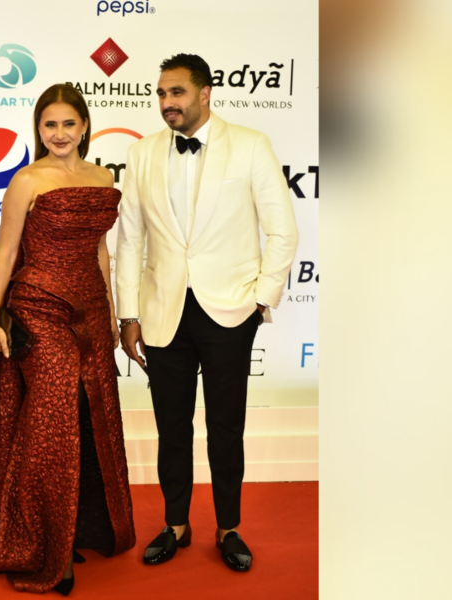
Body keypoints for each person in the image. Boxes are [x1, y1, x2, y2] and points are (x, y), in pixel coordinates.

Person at [0, 83, 135, 595]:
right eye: (51, 125)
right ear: (38, 129)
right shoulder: (26, 179)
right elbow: (4, 256)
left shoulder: (102, 176)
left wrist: (110, 313)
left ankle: (79, 526)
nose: (61, 134)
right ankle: (44, 544)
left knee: (90, 415)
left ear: (85, 126)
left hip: (90, 308)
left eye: (69, 124)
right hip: (38, 306)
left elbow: (101, 253)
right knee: (52, 418)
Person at [115, 54, 298, 572]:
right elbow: (129, 240)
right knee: (171, 426)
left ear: (205, 93)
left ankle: (228, 527)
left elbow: (282, 229)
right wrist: (128, 314)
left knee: (226, 426)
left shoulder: (251, 145)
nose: (166, 103)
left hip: (229, 310)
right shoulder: (142, 152)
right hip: (162, 310)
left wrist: (262, 298)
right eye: (160, 94)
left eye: (176, 92)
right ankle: (176, 523)